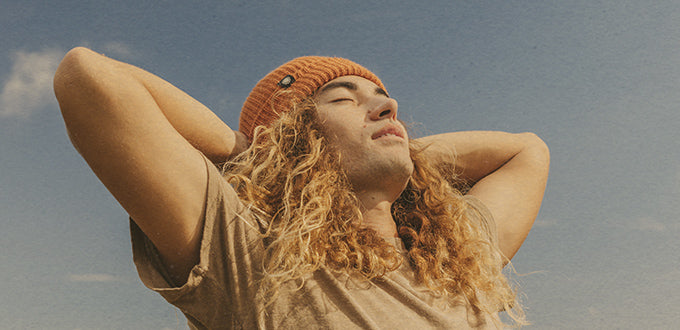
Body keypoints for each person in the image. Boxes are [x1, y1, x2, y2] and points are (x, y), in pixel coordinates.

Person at [54, 47, 549, 329]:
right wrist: (258, 151)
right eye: (342, 98)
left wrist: (401, 150)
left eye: (383, 98)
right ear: (297, 139)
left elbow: (528, 151)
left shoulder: (453, 257)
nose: (389, 105)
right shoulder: (251, 254)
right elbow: (89, 77)